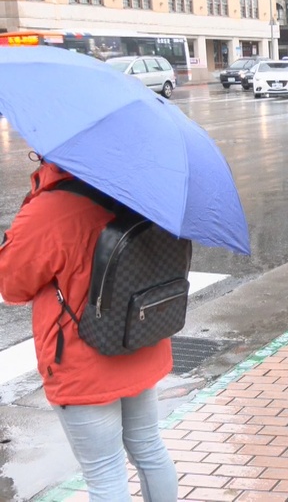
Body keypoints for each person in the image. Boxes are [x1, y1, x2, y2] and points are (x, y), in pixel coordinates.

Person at [0, 158, 178, 500]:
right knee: (149, 448)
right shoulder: (140, 190)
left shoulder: (51, 209)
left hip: (83, 357)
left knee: (105, 473)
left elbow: (12, 285)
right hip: (140, 338)